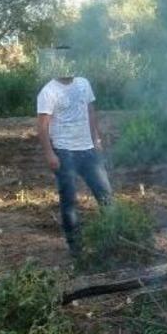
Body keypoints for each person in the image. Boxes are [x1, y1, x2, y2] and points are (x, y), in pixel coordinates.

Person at [37, 56, 112, 255]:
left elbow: (90, 111)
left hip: (88, 150)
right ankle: (76, 249)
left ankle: (114, 238)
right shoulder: (48, 91)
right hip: (64, 152)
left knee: (106, 196)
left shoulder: (83, 83)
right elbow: (42, 126)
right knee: (69, 201)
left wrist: (96, 139)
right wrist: (49, 154)